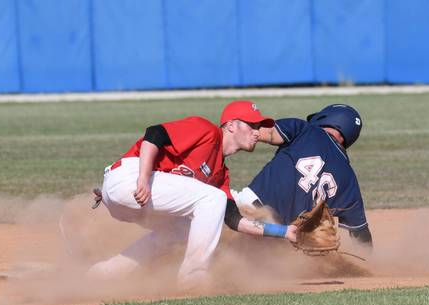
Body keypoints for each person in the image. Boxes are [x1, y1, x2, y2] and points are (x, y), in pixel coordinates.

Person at [87, 101, 297, 288]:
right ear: (231, 125)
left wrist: (284, 232)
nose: (257, 132)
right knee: (213, 198)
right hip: (131, 178)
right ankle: (193, 277)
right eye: (252, 125)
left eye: (259, 127)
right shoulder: (206, 131)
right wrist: (142, 178)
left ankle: (104, 274)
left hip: (133, 198)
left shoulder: (220, 175)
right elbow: (154, 134)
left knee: (181, 229)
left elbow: (235, 221)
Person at [233, 104, 373, 250]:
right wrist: (370, 266)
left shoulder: (306, 130)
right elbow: (360, 232)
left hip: (250, 209)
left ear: (325, 118)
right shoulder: (349, 179)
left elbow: (267, 133)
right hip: (283, 236)